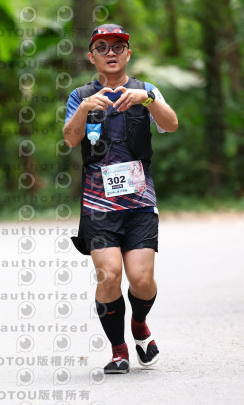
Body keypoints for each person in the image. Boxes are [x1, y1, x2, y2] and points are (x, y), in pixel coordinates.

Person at [62, 24, 178, 374]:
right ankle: (118, 350)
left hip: (140, 203)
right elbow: (70, 138)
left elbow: (171, 124)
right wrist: (84, 109)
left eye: (117, 46)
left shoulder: (146, 90)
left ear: (128, 53)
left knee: (141, 280)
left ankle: (139, 325)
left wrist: (148, 100)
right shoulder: (80, 96)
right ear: (91, 56)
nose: (110, 53)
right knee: (109, 275)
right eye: (102, 47)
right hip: (98, 206)